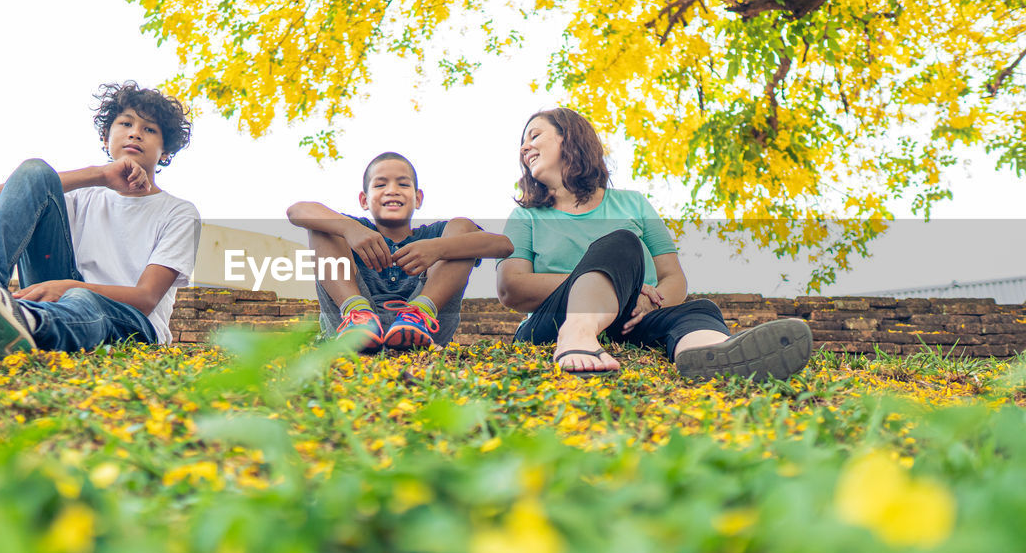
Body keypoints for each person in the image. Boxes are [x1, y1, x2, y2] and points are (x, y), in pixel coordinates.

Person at [0, 81, 201, 363]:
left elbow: (146, 299)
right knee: (36, 172)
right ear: (106, 137)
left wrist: (67, 286)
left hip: (131, 322)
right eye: (125, 123)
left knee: (81, 297)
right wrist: (99, 174)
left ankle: (21, 322)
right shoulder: (85, 195)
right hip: (59, 295)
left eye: (149, 130)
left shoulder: (178, 213)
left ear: (166, 151)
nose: (135, 133)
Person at [495, 108, 812, 379]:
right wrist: (612, 284)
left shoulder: (632, 204)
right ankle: (577, 334)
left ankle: (711, 353)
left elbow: (673, 278)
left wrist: (649, 301)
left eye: (534, 136)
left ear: (569, 137)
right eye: (522, 142)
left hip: (632, 320)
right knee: (617, 245)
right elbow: (511, 287)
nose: (524, 148)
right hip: (554, 319)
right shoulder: (526, 218)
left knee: (697, 308)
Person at [287, 152, 513, 352]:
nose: (392, 190)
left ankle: (419, 315)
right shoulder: (354, 229)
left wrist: (439, 248)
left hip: (427, 328)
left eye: (403, 185)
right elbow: (297, 210)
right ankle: (358, 315)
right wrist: (349, 228)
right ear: (364, 200)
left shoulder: (435, 234)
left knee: (462, 228)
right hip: (350, 325)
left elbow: (504, 246)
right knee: (323, 224)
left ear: (418, 198)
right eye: (380, 185)